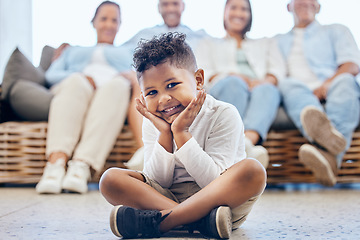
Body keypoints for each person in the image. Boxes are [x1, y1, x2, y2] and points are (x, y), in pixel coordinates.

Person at [99, 33, 266, 239]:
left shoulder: (223, 113)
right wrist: (165, 136)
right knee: (110, 180)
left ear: (198, 80)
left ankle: (163, 222)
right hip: (183, 206)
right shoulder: (155, 122)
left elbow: (213, 181)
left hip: (219, 204)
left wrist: (181, 134)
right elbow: (158, 180)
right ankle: (200, 224)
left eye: (172, 85)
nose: (164, 99)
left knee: (253, 170)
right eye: (151, 93)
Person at [35, 1, 143, 194]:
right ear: (93, 22)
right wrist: (82, 77)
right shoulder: (72, 51)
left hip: (112, 92)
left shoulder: (128, 52)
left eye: (114, 20)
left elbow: (140, 75)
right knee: (76, 82)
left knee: (119, 85)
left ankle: (81, 167)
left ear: (119, 25)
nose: (109, 25)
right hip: (77, 88)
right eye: (104, 19)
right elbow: (51, 75)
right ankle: (55, 164)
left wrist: (130, 75)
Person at [276, 0, 360, 186]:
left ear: (318, 6)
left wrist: (328, 84)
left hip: (332, 85)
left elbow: (352, 64)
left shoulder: (337, 30)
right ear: (289, 6)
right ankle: (331, 152)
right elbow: (274, 73)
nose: (305, 2)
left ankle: (327, 149)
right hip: (298, 92)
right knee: (286, 84)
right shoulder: (277, 41)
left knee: (346, 81)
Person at [195, 0, 286, 168]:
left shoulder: (266, 42)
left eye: (244, 9)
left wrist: (264, 82)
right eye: (233, 8)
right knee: (234, 83)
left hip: (259, 90)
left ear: (250, 15)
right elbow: (203, 72)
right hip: (226, 86)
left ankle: (246, 144)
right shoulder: (208, 43)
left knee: (269, 89)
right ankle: (244, 152)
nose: (238, 13)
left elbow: (277, 71)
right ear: (224, 13)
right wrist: (233, 75)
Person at [121, 0, 209, 171]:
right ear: (159, 7)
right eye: (165, 4)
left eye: (174, 3)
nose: (170, 8)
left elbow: (221, 47)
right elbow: (121, 53)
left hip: (193, 83)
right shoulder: (145, 33)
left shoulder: (199, 35)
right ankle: (145, 150)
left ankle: (229, 145)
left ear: (183, 6)